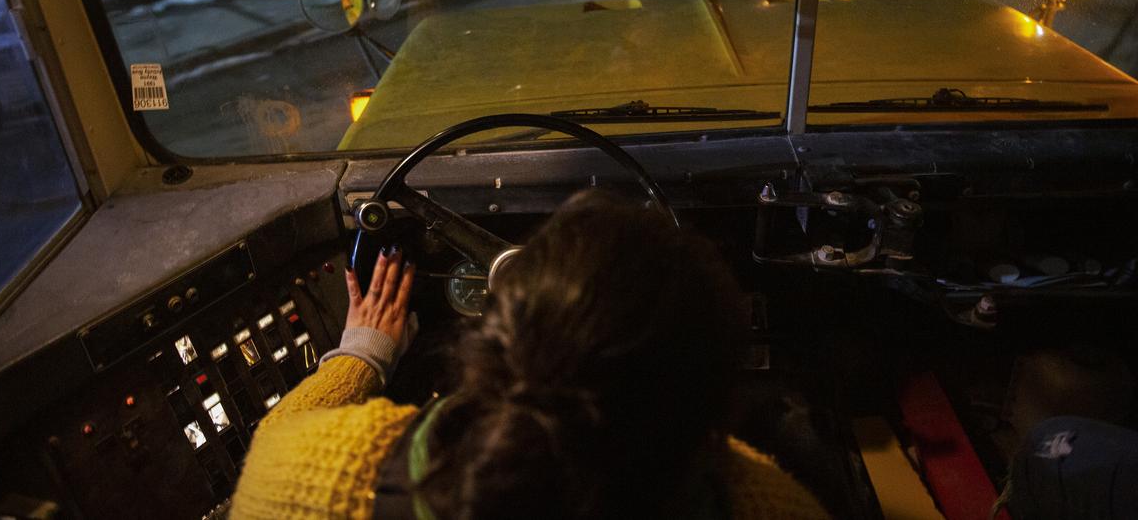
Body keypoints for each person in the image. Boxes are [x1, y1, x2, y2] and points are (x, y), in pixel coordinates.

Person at [229, 191, 829, 519]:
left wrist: (363, 352)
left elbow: (275, 439)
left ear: (492, 337)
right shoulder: (766, 501)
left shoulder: (311, 481)